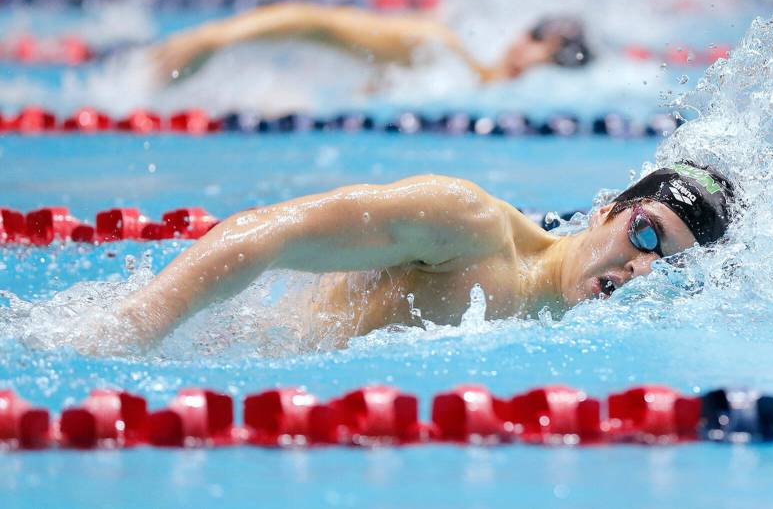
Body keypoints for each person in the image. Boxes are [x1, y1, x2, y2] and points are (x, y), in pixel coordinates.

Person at [109, 161, 736, 349]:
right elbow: (266, 232)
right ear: (604, 209)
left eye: (671, 264)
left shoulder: (622, 337)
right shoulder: (466, 224)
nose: (642, 269)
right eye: (646, 233)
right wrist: (134, 328)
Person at [149, 3, 593, 85]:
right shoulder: (435, 50)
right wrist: (214, 37)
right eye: (537, 39)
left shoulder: (459, 82)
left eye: (552, 55)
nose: (534, 55)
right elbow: (316, 22)